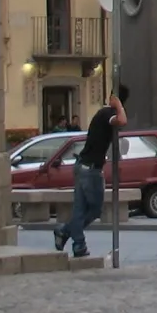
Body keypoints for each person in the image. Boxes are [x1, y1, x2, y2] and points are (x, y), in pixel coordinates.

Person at [54, 84, 127, 258]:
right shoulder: (107, 113)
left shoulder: (104, 113)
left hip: (83, 166)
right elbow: (122, 121)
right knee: (94, 209)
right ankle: (67, 233)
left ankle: (76, 242)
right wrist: (118, 105)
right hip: (90, 169)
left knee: (80, 210)